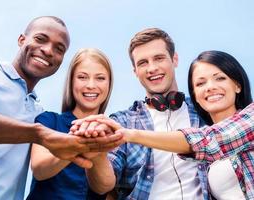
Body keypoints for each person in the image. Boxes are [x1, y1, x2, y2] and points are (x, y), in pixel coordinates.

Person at [0, 16, 121, 200]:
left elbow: (105, 185)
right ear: (21, 39)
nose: (48, 50)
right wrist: (42, 135)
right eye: (41, 39)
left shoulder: (35, 111)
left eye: (59, 49)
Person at [92, 50, 253, 199]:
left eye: (220, 78)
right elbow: (105, 185)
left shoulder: (250, 117)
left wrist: (130, 134)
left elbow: (208, 141)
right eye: (200, 83)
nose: (210, 87)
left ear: (237, 85)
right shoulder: (124, 118)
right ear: (195, 95)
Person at [73, 28, 209, 199]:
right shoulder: (122, 122)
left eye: (159, 58)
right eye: (143, 63)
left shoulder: (204, 109)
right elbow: (103, 186)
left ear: (174, 59)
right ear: (135, 71)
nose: (152, 68)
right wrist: (98, 155)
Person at [26, 48, 113, 200]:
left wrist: (99, 149)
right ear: (71, 81)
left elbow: (105, 186)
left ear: (109, 84)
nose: (91, 85)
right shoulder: (48, 121)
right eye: (82, 77)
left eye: (100, 78)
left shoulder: (114, 132)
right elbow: (39, 170)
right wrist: (76, 145)